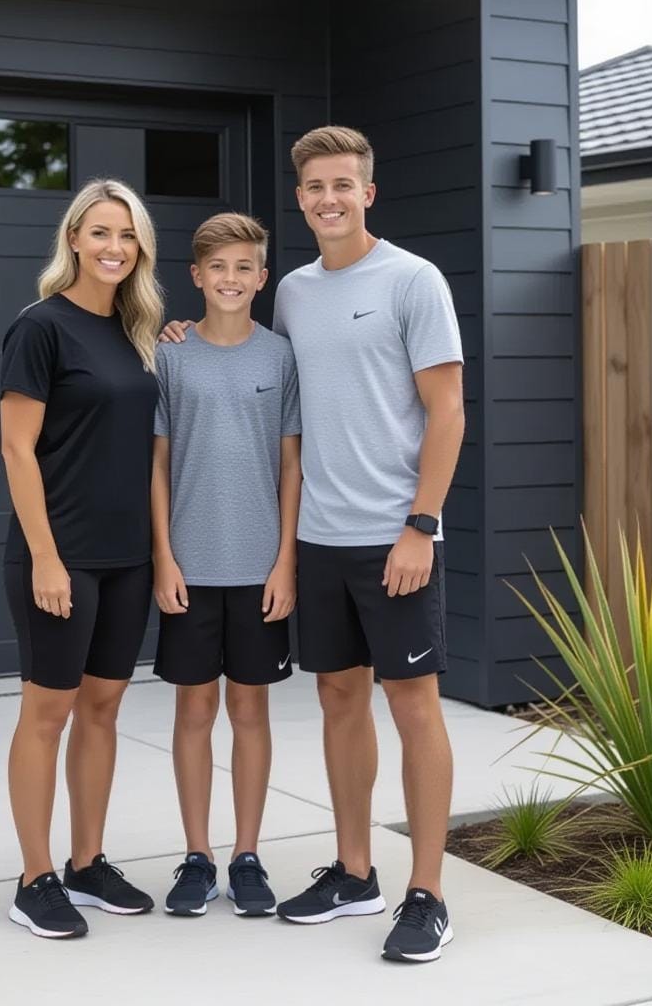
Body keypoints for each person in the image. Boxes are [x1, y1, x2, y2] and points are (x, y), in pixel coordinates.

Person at [162, 127, 464, 963]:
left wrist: (421, 524)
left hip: (394, 536)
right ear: (299, 199)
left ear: (368, 191)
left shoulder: (412, 280)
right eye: (313, 187)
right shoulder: (289, 291)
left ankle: (428, 891)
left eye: (343, 184)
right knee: (338, 700)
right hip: (319, 536)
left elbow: (449, 411)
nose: (328, 198)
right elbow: (245, 356)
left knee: (414, 707)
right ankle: (355, 869)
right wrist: (186, 333)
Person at [0, 178, 163, 939]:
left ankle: (86, 862)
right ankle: (34, 878)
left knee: (102, 709)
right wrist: (44, 557)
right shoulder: (41, 327)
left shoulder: (136, 333)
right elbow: (16, 448)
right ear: (73, 238)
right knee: (48, 713)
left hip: (126, 558)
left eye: (126, 236)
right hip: (58, 557)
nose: (113, 247)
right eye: (100, 232)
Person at [152, 212, 302, 918]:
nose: (231, 279)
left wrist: (285, 563)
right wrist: (163, 557)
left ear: (261, 277)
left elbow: (292, 465)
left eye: (245, 268)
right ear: (196, 276)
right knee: (193, 709)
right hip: (189, 564)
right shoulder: (171, 356)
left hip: (257, 568)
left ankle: (246, 854)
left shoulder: (280, 357)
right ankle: (196, 856)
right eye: (219, 268)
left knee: (250, 710)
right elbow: (156, 466)